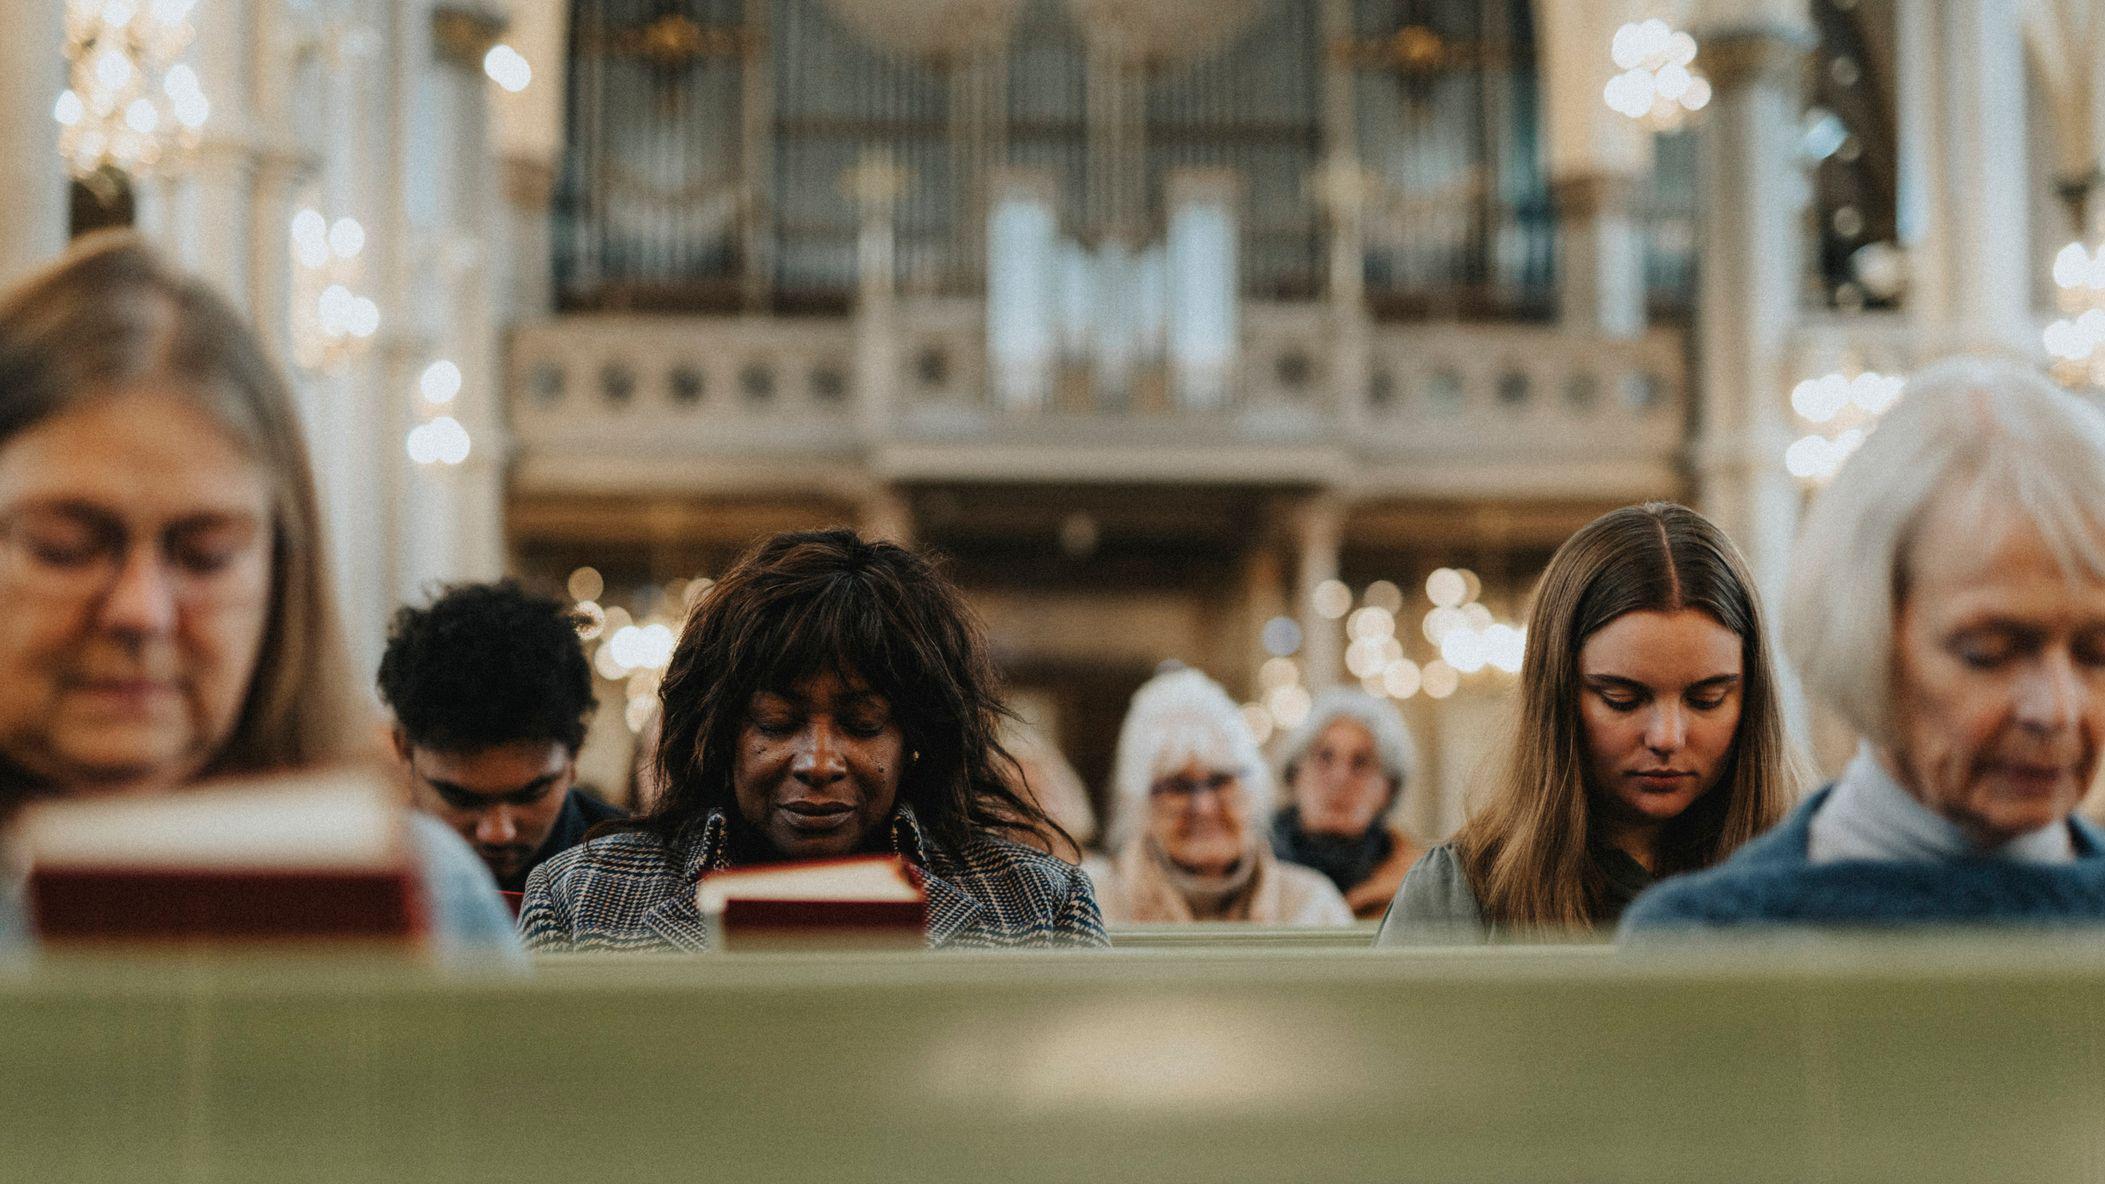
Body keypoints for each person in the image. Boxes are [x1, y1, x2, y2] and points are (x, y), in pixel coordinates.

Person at [0, 231, 518, 960]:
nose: (141, 612)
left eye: (206, 555)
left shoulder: (430, 894)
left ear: (280, 574)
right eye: (65, 546)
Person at [1623, 359, 2105, 934]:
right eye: (1988, 653)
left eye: (2097, 654)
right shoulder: (1709, 940)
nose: (2057, 710)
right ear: (1866, 634)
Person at [519, 528, 1106, 950]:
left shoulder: (1038, 905)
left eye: (863, 725)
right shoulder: (580, 898)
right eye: (776, 722)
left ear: (916, 737)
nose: (819, 762)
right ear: (720, 731)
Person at [1379, 502, 1796, 945]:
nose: (1667, 737)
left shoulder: (1809, 872)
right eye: (1622, 700)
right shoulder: (1460, 893)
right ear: (1557, 698)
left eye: (1706, 700)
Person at [378, 580, 625, 893]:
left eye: (531, 793)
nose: (498, 833)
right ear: (404, 750)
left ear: (574, 753)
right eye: (460, 798)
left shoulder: (637, 872)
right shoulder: (358, 864)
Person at [1088, 668, 1352, 925]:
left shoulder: (1311, 904)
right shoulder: (1092, 902)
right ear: (1140, 802)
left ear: (1253, 790)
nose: (1204, 807)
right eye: (1178, 786)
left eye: (1220, 781)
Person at [1270, 688, 1425, 919]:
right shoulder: (1246, 879)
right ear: (1294, 774)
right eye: (1324, 757)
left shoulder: (1421, 887)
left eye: (1360, 763)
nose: (1340, 778)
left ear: (1388, 789)